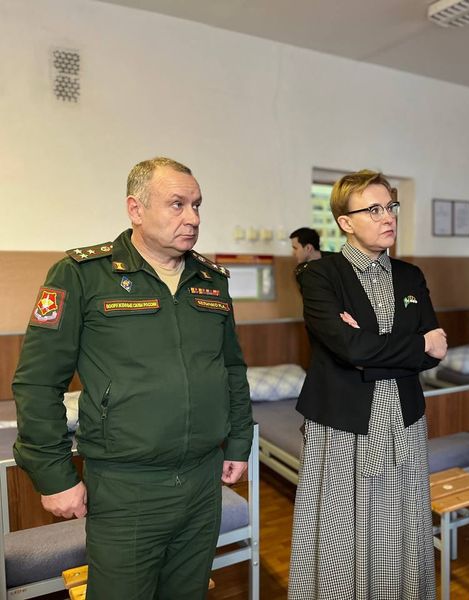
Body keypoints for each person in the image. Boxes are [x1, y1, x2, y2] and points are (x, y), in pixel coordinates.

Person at [13, 157, 254, 600]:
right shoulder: (83, 274)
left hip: (202, 481)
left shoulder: (211, 280)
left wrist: (239, 441)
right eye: (177, 204)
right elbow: (38, 382)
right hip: (126, 486)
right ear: (135, 209)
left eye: (197, 205)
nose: (193, 218)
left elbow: (231, 369)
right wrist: (54, 475)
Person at [288, 169, 447, 599]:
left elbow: (436, 350)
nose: (387, 217)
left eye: (390, 206)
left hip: (404, 418)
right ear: (345, 221)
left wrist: (372, 347)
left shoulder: (410, 275)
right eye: (373, 210)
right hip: (343, 420)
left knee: (402, 524)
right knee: (340, 530)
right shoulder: (320, 275)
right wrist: (410, 345)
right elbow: (350, 348)